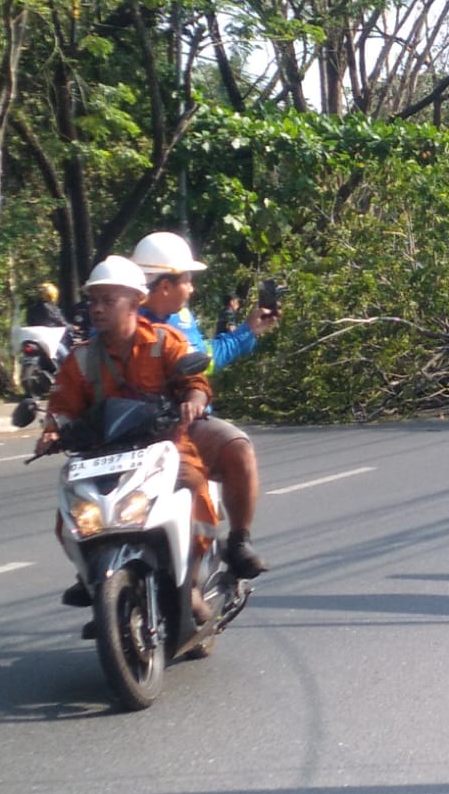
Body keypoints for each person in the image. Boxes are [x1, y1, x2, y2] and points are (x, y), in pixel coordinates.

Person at [38, 256, 218, 615]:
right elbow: (62, 406)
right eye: (94, 300)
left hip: (163, 448)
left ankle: (192, 582)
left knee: (196, 487)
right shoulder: (82, 358)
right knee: (68, 519)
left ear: (136, 303)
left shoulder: (164, 342)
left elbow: (196, 382)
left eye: (108, 300)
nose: (98, 309)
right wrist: (52, 431)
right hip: (100, 457)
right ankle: (90, 573)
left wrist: (194, 401)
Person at [131, 230, 277, 579]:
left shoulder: (182, 320)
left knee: (238, 448)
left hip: (182, 422)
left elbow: (204, 360)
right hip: (127, 432)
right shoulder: (121, 322)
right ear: (163, 285)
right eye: (187, 280)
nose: (192, 288)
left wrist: (248, 331)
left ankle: (238, 541)